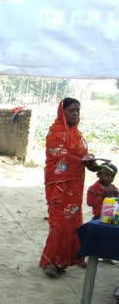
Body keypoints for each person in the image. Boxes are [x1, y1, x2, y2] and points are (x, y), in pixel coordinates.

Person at [40, 98, 98, 277]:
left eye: (78, 110)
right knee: (59, 222)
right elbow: (57, 153)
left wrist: (91, 163)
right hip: (59, 185)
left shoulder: (76, 134)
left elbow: (81, 155)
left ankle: (70, 257)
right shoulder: (55, 131)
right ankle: (50, 261)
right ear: (62, 112)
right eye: (71, 110)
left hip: (74, 184)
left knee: (72, 220)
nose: (75, 114)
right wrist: (81, 160)